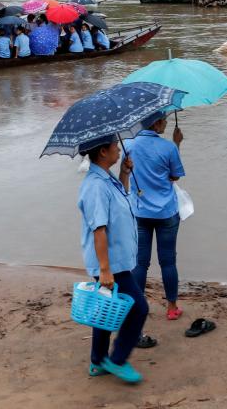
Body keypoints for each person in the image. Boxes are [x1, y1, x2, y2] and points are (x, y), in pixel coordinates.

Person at [77, 138, 149, 384]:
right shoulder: (96, 185)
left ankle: (97, 361)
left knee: (107, 308)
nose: (120, 149)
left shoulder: (107, 179)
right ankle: (117, 360)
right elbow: (99, 229)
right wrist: (105, 270)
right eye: (115, 147)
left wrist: (124, 174)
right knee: (139, 308)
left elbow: (119, 203)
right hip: (111, 264)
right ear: (103, 151)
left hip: (115, 261)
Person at [123, 113, 186, 321]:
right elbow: (175, 175)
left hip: (140, 211)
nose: (167, 123)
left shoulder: (129, 145)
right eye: (164, 120)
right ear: (157, 123)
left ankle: (137, 307)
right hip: (166, 211)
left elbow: (123, 174)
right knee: (168, 261)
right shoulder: (168, 147)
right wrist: (177, 144)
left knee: (141, 263)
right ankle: (171, 307)